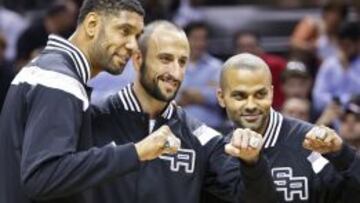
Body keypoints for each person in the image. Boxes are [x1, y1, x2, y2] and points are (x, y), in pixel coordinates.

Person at [91, 20, 278, 203]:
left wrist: (252, 164)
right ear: (138, 59)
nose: (175, 72)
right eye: (165, 59)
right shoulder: (93, 119)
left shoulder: (204, 140)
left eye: (182, 62)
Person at [0, 0, 145, 202]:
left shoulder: (47, 67)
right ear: (92, 24)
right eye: (124, 31)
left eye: (137, 36)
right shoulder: (60, 80)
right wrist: (135, 153)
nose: (133, 45)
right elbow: (42, 178)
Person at [216, 53, 360, 202]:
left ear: (271, 93)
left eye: (260, 94)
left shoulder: (313, 143)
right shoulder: (218, 155)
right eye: (239, 96)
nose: (251, 105)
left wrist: (344, 155)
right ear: (221, 97)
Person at [177, 21, 224, 129]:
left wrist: (185, 94)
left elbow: (218, 97)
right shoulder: (173, 66)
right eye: (196, 39)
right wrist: (203, 93)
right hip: (178, 127)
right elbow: (168, 99)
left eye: (204, 39)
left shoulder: (217, 66)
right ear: (185, 40)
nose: (200, 44)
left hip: (212, 127)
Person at [234, 31, 286, 110]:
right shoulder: (231, 70)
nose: (247, 50)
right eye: (242, 47)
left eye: (251, 46)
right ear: (236, 51)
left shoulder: (277, 65)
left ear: (259, 47)